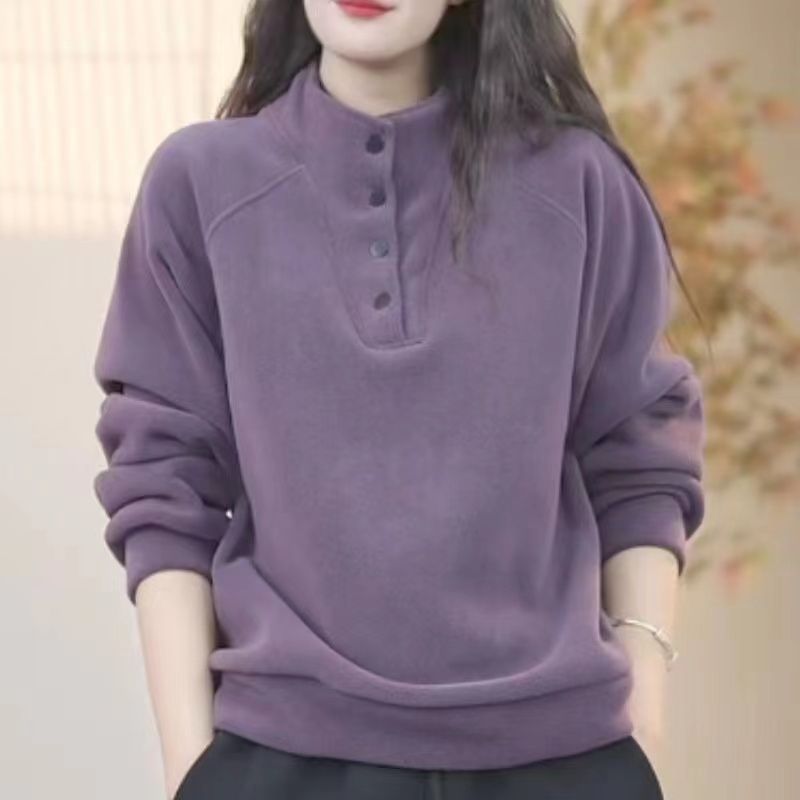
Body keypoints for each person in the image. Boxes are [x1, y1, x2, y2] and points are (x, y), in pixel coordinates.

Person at [91, 1, 707, 798]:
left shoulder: (581, 184)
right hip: (282, 758)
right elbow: (164, 485)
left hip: (561, 758)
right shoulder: (200, 184)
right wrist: (191, 768)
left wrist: (645, 727)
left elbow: (639, 461)